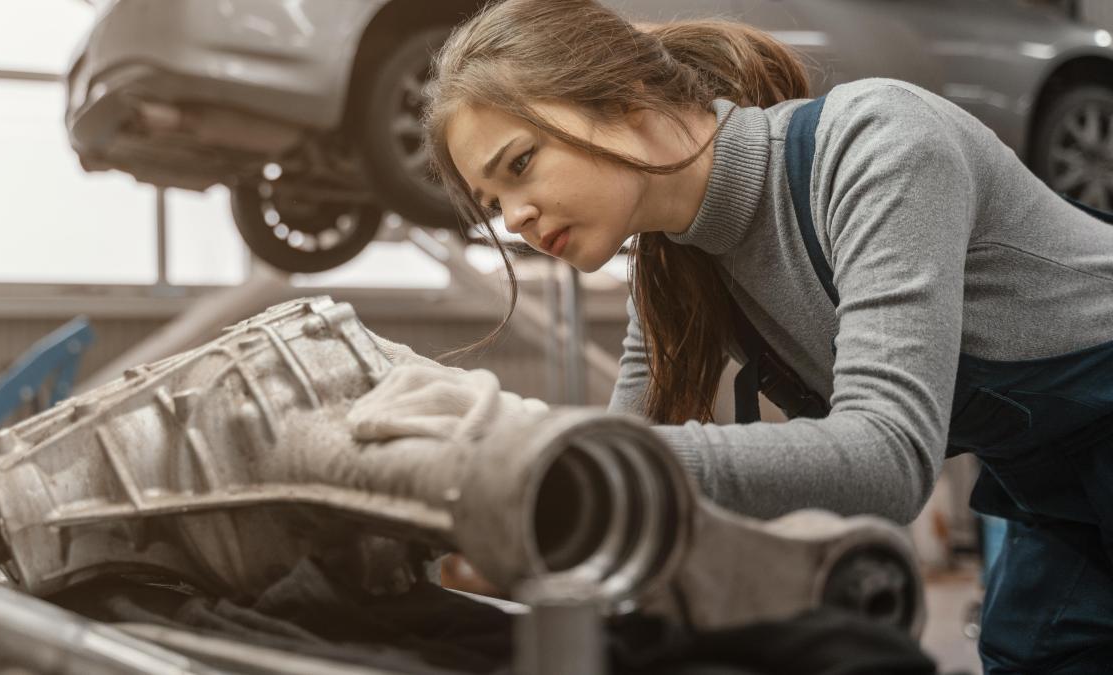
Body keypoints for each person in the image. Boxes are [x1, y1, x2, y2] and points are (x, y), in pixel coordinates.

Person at [420, 0, 1113, 672]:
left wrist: (562, 452)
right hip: (1050, 481)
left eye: (520, 164)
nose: (515, 217)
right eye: (494, 203)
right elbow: (624, 460)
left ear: (627, 97)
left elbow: (889, 456)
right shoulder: (674, 269)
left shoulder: (878, 144)